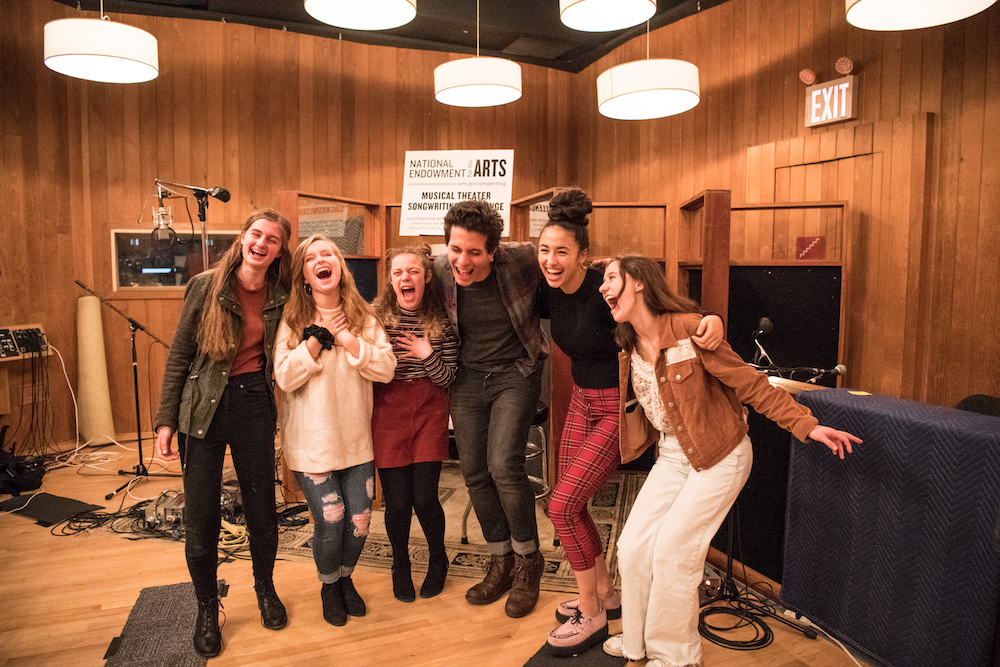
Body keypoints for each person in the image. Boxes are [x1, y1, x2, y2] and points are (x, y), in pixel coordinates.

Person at [598, 255, 861, 667]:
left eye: (612, 277)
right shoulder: (626, 345)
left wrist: (806, 425)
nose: (603, 287)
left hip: (721, 456)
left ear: (640, 284)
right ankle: (637, 643)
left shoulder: (688, 329)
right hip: (671, 455)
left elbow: (749, 382)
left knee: (673, 551)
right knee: (632, 547)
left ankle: (677, 657)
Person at [536, 189, 724, 656]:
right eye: (544, 250)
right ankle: (603, 593)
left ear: (585, 255)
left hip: (618, 407)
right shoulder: (547, 286)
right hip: (581, 400)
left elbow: (665, 309)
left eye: (562, 252)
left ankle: (592, 614)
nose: (551, 260)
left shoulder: (607, 286)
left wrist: (711, 318)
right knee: (567, 503)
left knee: (561, 506)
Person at [153, 208, 293, 658]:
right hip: (202, 406)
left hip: (253, 402)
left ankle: (265, 589)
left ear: (278, 250)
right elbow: (179, 356)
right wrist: (165, 421)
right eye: (257, 234)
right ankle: (206, 607)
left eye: (272, 239)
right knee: (202, 517)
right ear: (244, 237)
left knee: (261, 508)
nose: (262, 243)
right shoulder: (205, 286)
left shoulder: (283, 294)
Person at [433, 199, 548, 618]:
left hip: (515, 372)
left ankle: (527, 561)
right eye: (456, 249)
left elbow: (573, 264)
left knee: (503, 466)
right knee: (475, 471)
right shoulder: (436, 270)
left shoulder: (522, 260)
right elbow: (394, 299)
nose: (463, 261)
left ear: (493, 251)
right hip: (466, 376)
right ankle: (500, 559)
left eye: (475, 252)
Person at [273, 234, 396, 627]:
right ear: (305, 276)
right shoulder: (292, 320)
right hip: (312, 445)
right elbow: (284, 377)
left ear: (340, 267)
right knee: (331, 519)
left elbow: (386, 368)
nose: (320, 260)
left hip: (356, 442)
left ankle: (345, 579)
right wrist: (313, 343)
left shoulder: (364, 317)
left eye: (328, 254)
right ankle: (329, 586)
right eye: (311, 258)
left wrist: (345, 338)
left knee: (360, 520)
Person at [372, 245, 459, 602]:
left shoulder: (443, 321)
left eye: (412, 272)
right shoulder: (375, 318)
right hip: (387, 410)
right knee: (396, 502)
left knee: (424, 498)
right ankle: (400, 565)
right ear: (390, 279)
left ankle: (438, 561)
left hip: (429, 409)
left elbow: (448, 377)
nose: (405, 278)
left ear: (425, 277)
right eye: (398, 273)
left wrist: (428, 354)